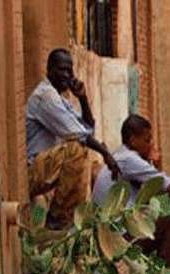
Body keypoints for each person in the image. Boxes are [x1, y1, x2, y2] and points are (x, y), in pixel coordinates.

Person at [93, 114, 170, 274]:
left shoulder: (120, 156)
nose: (151, 144)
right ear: (132, 140)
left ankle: (157, 273)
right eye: (147, 140)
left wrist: (154, 163)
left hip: (112, 233)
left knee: (161, 205)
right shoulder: (129, 160)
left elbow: (156, 190)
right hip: (118, 237)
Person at [26, 48, 119, 229]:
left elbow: (87, 129)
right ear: (49, 69)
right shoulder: (46, 96)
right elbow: (80, 136)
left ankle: (58, 223)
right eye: (62, 69)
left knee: (37, 227)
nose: (67, 75)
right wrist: (106, 153)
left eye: (70, 70)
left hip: (44, 182)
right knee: (77, 150)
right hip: (32, 175)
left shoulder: (60, 99)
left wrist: (83, 98)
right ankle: (59, 218)